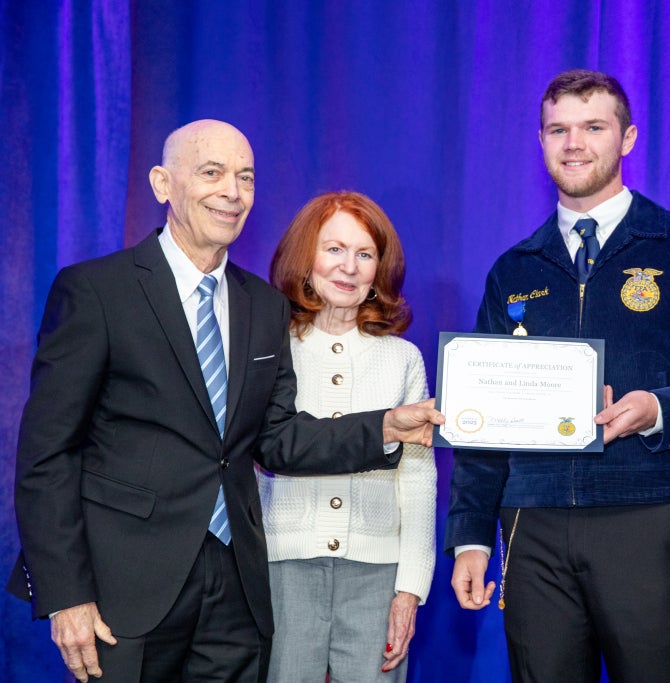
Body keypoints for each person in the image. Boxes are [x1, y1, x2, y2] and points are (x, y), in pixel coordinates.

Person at [9, 119, 443, 683]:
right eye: (211, 173)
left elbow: (278, 439)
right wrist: (66, 595)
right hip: (126, 591)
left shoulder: (263, 308)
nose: (232, 192)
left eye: (246, 177)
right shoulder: (96, 291)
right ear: (163, 184)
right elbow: (47, 455)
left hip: (237, 590)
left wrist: (385, 425)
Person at [444, 69, 670, 683]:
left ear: (628, 138)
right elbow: (477, 420)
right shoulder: (513, 269)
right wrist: (471, 538)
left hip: (641, 518)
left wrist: (659, 407)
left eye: (593, 126)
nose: (574, 144)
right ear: (540, 141)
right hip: (530, 525)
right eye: (558, 129)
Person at [257, 191, 436, 681]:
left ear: (380, 268)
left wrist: (410, 588)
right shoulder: (268, 347)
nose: (349, 267)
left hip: (377, 576)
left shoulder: (404, 358)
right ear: (305, 257)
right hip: (282, 569)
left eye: (365, 254)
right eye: (334, 249)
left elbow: (417, 479)